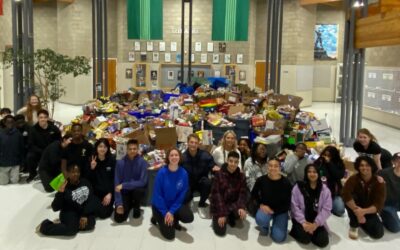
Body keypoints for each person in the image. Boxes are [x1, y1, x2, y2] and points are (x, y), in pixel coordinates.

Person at [36, 164, 98, 236]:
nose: (76, 174)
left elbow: (90, 198)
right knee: (71, 231)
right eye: (73, 172)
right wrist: (60, 192)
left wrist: (84, 215)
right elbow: (55, 207)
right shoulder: (64, 185)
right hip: (69, 212)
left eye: (78, 172)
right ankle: (45, 225)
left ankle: (67, 224)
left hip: (82, 210)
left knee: (91, 223)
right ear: (68, 173)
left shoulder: (85, 182)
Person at [151, 148, 194, 240]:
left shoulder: (184, 173)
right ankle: (155, 216)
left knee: (189, 217)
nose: (174, 157)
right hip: (160, 206)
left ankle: (174, 219)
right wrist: (166, 212)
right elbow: (157, 195)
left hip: (173, 205)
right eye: (171, 155)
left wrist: (171, 211)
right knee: (170, 235)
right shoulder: (161, 173)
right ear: (168, 157)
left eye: (176, 155)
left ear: (180, 157)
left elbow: (181, 195)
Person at [342, 156, 386, 240]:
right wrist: (358, 212)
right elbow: (345, 194)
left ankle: (361, 222)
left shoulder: (379, 182)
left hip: (369, 209)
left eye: (367, 165)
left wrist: (363, 212)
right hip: (355, 207)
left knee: (378, 234)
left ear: (372, 167)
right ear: (358, 167)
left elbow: (379, 204)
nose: (364, 168)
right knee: (349, 198)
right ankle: (354, 224)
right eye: (361, 165)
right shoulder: (353, 179)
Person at [290, 164, 332, 247]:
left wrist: (315, 225)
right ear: (306, 173)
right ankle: (298, 230)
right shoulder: (298, 187)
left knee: (323, 242)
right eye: (309, 172)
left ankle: (310, 231)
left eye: (314, 172)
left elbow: (327, 209)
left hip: (316, 220)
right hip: (301, 220)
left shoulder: (325, 190)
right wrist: (304, 223)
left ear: (318, 174)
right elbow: (294, 207)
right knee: (305, 239)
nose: (312, 174)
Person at [251, 158, 292, 242]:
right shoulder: (261, 180)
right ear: (267, 167)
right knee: (261, 219)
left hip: (281, 211)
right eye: (270, 166)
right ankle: (265, 226)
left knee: (279, 238)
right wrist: (261, 205)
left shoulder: (286, 183)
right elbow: (253, 194)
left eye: (276, 166)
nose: (273, 168)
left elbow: (288, 203)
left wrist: (274, 211)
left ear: (280, 168)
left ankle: (276, 224)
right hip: (266, 208)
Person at [210, 151, 248, 237]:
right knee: (220, 232)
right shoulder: (218, 174)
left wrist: (241, 207)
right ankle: (223, 215)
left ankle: (230, 215)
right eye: (231, 161)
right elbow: (216, 195)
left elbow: (243, 193)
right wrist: (221, 214)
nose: (233, 164)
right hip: (220, 205)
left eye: (235, 162)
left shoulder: (241, 176)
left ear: (238, 162)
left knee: (240, 213)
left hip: (232, 204)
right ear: (227, 160)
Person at [182, 133, 217, 219]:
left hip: (201, 181)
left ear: (199, 144)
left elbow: (213, 166)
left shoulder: (206, 155)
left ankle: (201, 205)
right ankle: (189, 200)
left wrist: (215, 168)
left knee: (208, 183)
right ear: (187, 143)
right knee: (185, 199)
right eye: (191, 142)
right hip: (188, 183)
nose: (193, 144)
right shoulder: (182, 157)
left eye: (195, 142)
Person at [114, 139, 148, 223]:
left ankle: (136, 206)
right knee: (119, 219)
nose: (132, 151)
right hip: (125, 192)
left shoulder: (143, 162)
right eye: (130, 149)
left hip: (136, 191)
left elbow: (143, 182)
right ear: (126, 149)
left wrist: (124, 185)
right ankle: (128, 204)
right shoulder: (120, 163)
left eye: (134, 148)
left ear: (138, 149)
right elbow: (117, 183)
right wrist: (118, 204)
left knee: (138, 190)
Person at [26, 109, 61, 182]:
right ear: (38, 118)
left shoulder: (54, 128)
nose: (43, 119)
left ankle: (54, 173)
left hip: (51, 152)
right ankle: (32, 174)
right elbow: (31, 144)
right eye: (41, 117)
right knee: (30, 156)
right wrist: (42, 152)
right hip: (39, 152)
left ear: (47, 118)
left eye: (45, 117)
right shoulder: (33, 130)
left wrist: (52, 151)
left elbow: (58, 140)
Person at [87, 138, 116, 219]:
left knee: (104, 214)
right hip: (95, 192)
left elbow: (115, 178)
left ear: (108, 148)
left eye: (105, 147)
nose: (102, 149)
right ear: (96, 147)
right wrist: (92, 168)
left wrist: (110, 193)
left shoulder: (112, 160)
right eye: (100, 146)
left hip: (108, 192)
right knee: (91, 209)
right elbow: (88, 179)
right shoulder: (91, 160)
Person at [314, 146, 346, 216]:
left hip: (334, 194)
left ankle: (328, 205)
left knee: (340, 210)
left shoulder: (339, 163)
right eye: (325, 155)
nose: (326, 157)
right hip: (319, 193)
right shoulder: (319, 162)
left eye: (329, 156)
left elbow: (339, 175)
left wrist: (329, 163)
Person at [378, 152, 400, 233]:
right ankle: (383, 214)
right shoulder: (384, 173)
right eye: (397, 161)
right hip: (387, 204)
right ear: (393, 162)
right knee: (396, 228)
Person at [0, 115, 24, 185]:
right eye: (8, 122)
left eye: (12, 122)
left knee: (15, 182)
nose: (10, 123)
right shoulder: (0, 133)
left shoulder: (18, 134)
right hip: (3, 164)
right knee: (3, 183)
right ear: (4, 123)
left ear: (14, 123)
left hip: (15, 164)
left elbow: (22, 149)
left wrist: (22, 162)